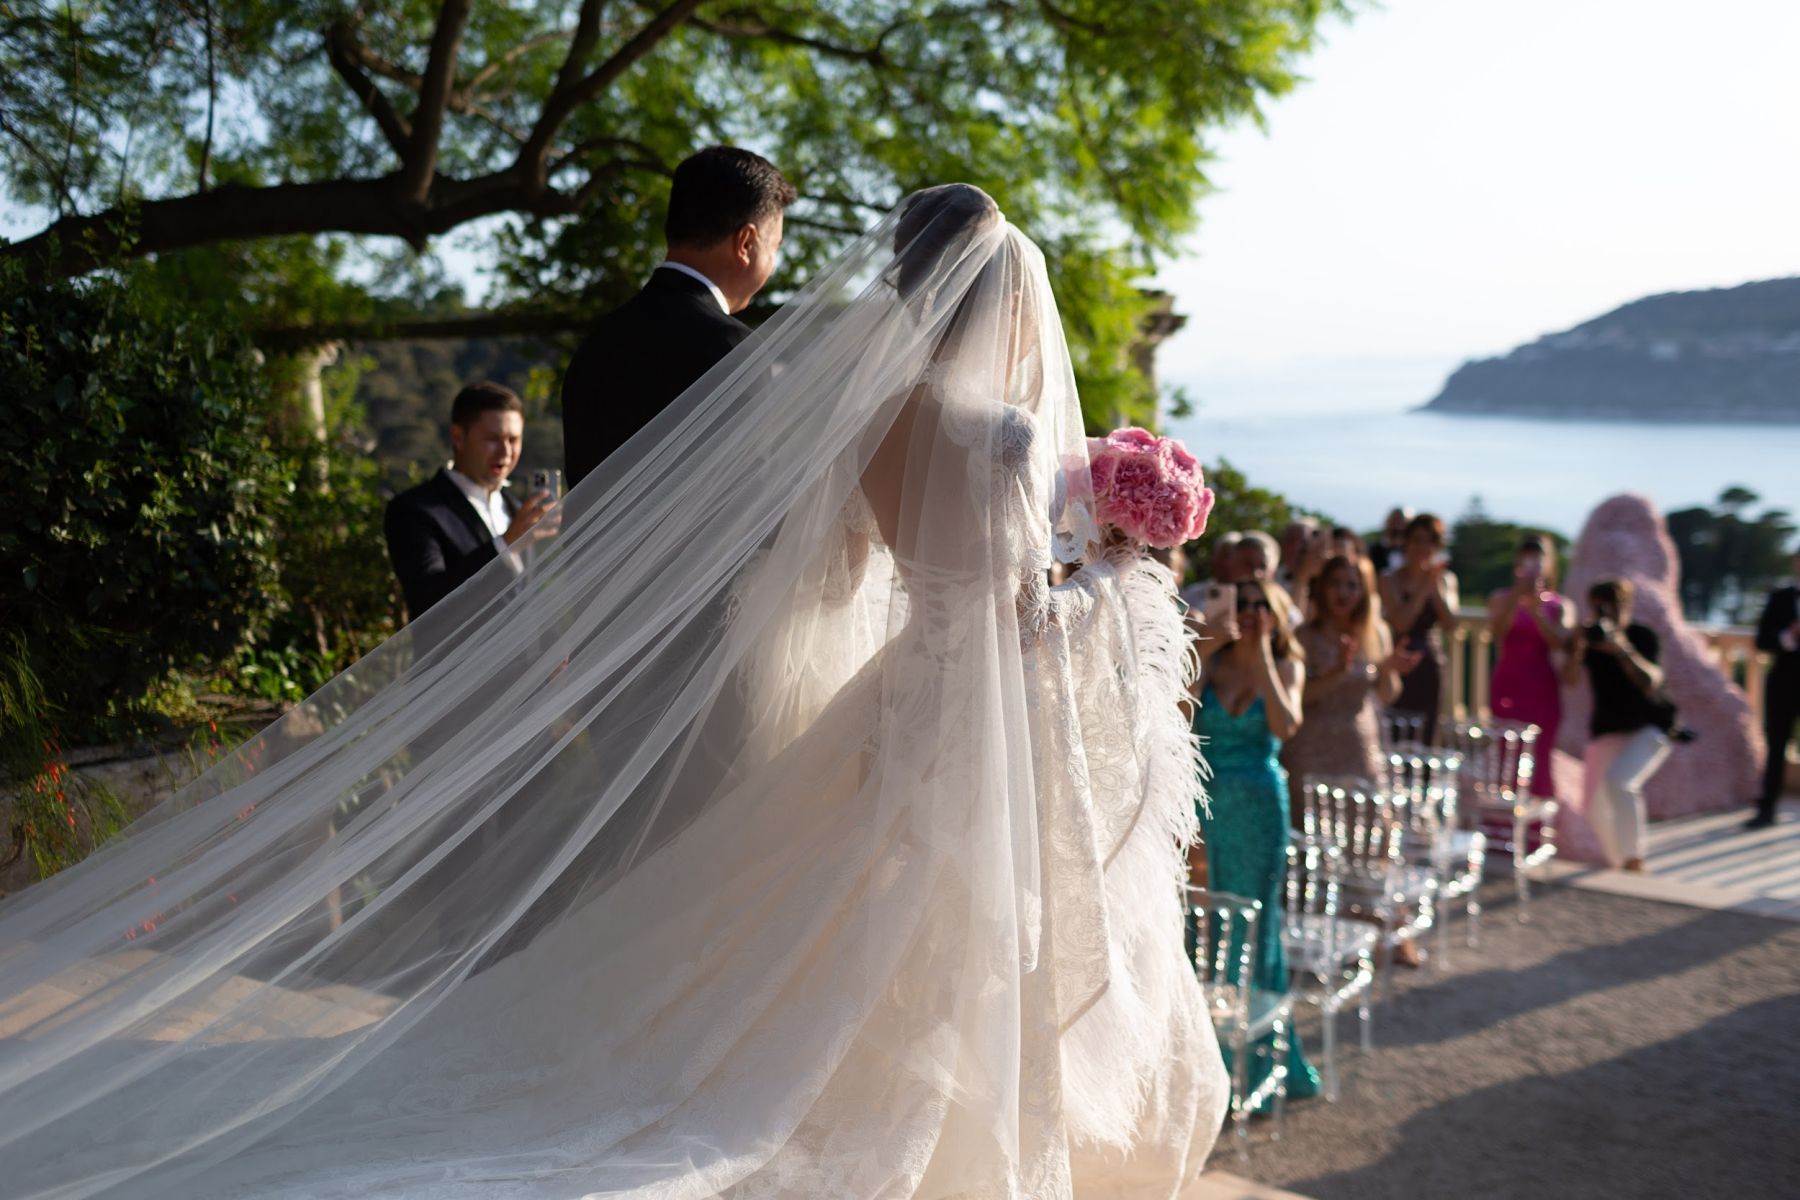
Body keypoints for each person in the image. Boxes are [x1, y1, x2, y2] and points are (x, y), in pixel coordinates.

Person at [0, 185, 1226, 1198]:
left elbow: (855, 571)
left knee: (865, 913)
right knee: (947, 919)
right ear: (1007, 293)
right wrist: (1112, 574)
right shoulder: (1007, 436)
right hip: (970, 712)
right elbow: (1016, 614)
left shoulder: (863, 414)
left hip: (904, 699)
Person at [560, 146, 796, 486]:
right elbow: (748, 505)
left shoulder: (597, 342)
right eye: (775, 248)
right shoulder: (732, 348)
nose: (773, 266)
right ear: (745, 243)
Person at [1190, 578, 1322, 1106]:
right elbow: (1176, 716)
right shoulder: (1213, 664)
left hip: (1262, 809)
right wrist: (1208, 647)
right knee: (1207, 925)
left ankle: (1263, 1066)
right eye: (1242, 605)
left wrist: (1263, 654)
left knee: (1258, 925)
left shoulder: (1288, 663)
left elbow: (1285, 725)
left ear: (1277, 613)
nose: (1249, 614)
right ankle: (1208, 1066)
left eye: (1259, 606)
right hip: (1209, 807)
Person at [383, 382, 556, 620]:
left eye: (514, 439)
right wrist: (506, 546)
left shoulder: (516, 508)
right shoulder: (414, 509)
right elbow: (428, 602)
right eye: (493, 439)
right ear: (458, 437)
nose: (506, 452)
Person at [1284, 555, 1420, 815]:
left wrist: (1388, 670)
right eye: (1335, 583)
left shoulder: (1376, 632)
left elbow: (1388, 695)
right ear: (1322, 588)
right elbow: (1298, 698)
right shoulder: (1304, 636)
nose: (1343, 592)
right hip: (1312, 747)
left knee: (1370, 826)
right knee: (1316, 828)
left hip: (1359, 743)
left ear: (1364, 591)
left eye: (1352, 585)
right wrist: (1337, 673)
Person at [1564, 579, 1671, 870]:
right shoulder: (1591, 640)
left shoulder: (1641, 636)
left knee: (1620, 782)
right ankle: (1616, 859)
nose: (1605, 614)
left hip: (1649, 726)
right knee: (1591, 801)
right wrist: (1576, 648)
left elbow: (1652, 680)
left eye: (1611, 607)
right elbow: (1569, 679)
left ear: (1626, 607)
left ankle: (1634, 858)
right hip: (1608, 729)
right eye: (1599, 607)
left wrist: (1622, 649)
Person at [1487, 535, 1576, 799]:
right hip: (1508, 684)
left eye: (1539, 558)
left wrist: (1538, 612)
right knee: (1505, 756)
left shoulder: (1559, 605)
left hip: (1542, 690)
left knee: (1541, 756)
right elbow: (1497, 632)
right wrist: (1517, 597)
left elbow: (1561, 642)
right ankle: (1501, 827)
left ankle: (1538, 831)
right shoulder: (1502, 598)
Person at [1380, 512, 1459, 744]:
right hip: (1399, 660)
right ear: (1406, 542)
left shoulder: (1445, 580)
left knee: (1427, 732)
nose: (1422, 547)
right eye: (1417, 540)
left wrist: (1434, 586)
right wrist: (1423, 588)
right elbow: (1401, 622)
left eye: (1429, 541)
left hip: (1430, 662)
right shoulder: (1389, 579)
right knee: (1396, 730)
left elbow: (1451, 624)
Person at [1749, 548, 1800, 828]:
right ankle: (1767, 808)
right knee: (1776, 744)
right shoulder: (1780, 597)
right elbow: (1762, 640)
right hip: (1784, 682)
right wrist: (1788, 637)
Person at [1368, 506, 1412, 575]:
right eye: (1394, 521)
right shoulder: (1373, 551)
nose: (1398, 527)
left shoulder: (1415, 554)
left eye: (1402, 522)